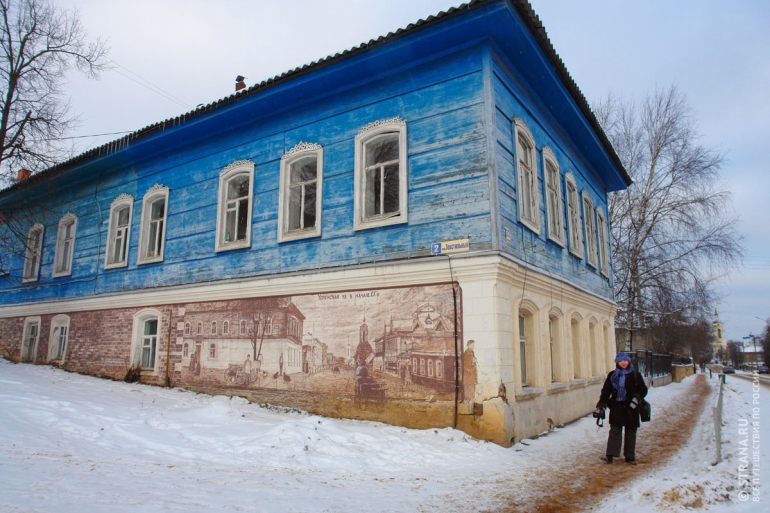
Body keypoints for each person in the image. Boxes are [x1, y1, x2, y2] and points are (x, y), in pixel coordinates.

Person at [596, 352, 648, 465]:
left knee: (631, 431)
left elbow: (643, 389)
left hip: (631, 407)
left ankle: (630, 456)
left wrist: (637, 398)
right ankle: (610, 455)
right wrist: (602, 404)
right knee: (615, 430)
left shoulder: (636, 375)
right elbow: (606, 390)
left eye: (625, 360)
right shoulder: (612, 375)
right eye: (621, 361)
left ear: (629, 361)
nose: (623, 363)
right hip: (617, 406)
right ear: (617, 363)